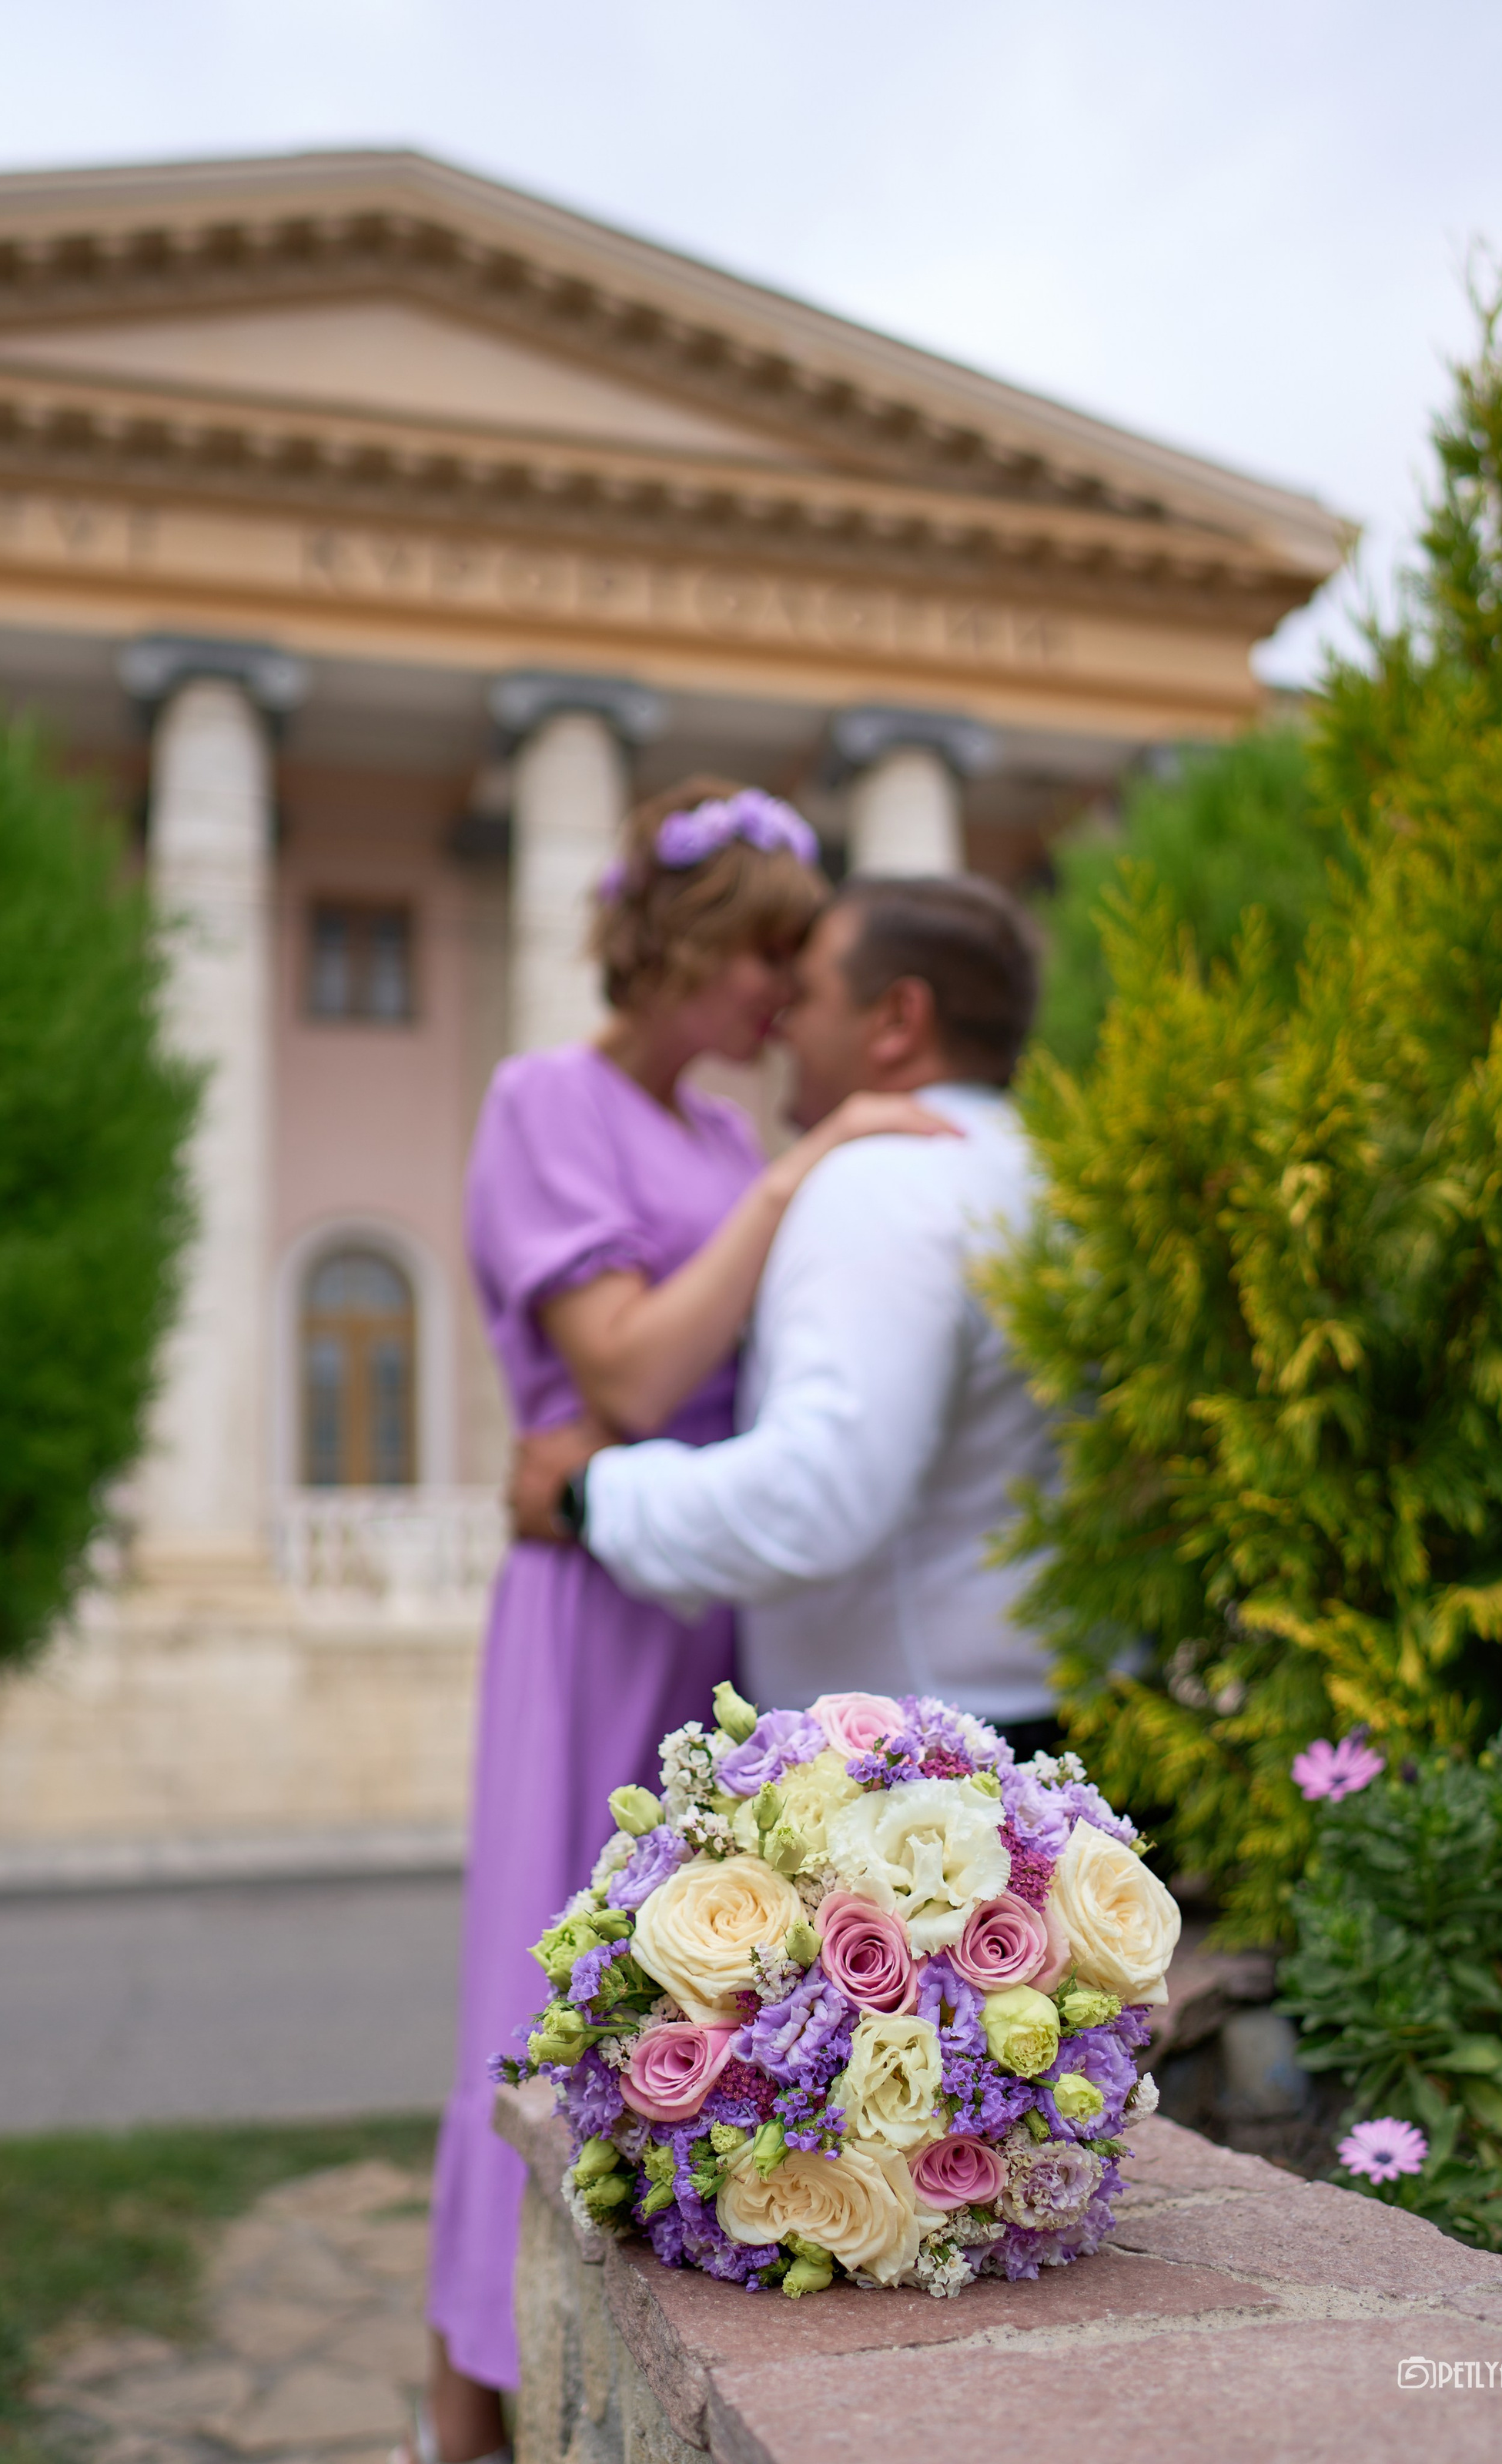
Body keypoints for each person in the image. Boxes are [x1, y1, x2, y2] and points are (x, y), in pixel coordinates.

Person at [425, 782, 950, 2464]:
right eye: (758, 957)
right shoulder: (542, 1101)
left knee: (694, 2011)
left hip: (719, 1622)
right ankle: (466, 2421)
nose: (773, 999)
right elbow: (637, 1371)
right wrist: (808, 1164)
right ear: (676, 946)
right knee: (537, 2007)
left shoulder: (729, 1144)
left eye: (801, 960)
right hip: (589, 1618)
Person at [510, 872, 1062, 1760]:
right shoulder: (1042, 1170)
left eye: (803, 996)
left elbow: (818, 1496)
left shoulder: (882, 1182)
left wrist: (589, 1494)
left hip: (916, 1762)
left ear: (895, 1020)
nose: (781, 1027)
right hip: (1044, 1720)